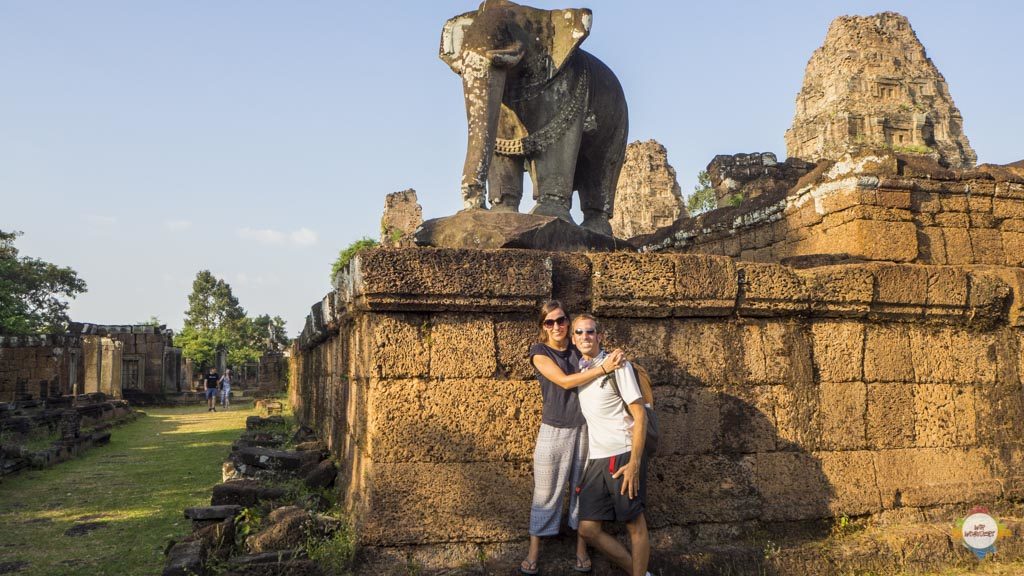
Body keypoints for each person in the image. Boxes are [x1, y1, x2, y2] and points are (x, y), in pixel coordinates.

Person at [521, 301, 625, 576]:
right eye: (549, 322)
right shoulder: (539, 352)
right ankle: (534, 551)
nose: (557, 326)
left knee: (582, 491)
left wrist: (617, 360)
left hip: (585, 429)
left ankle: (581, 548)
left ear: (569, 323)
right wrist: (604, 369)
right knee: (545, 493)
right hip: (553, 429)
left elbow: (601, 353)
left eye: (561, 320)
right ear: (543, 326)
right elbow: (565, 382)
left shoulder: (579, 348)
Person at [571, 314, 651, 576]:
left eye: (590, 332)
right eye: (580, 332)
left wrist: (634, 463)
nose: (585, 337)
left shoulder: (618, 365)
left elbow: (639, 415)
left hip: (622, 453)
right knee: (587, 529)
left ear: (599, 336)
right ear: (573, 338)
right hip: (596, 459)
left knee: (634, 524)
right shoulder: (582, 370)